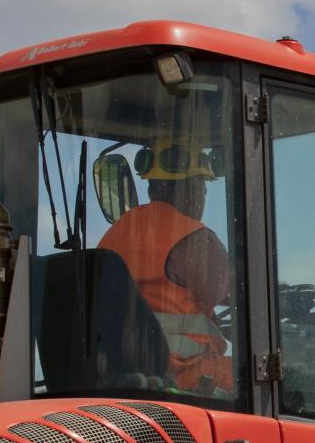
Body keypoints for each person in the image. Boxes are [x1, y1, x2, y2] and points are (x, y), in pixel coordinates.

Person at [97, 134, 236, 395]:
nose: (203, 195)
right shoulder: (195, 238)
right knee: (276, 382)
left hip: (129, 373)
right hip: (185, 376)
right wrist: (284, 302)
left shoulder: (116, 233)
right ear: (193, 187)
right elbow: (242, 293)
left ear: (152, 188)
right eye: (203, 186)